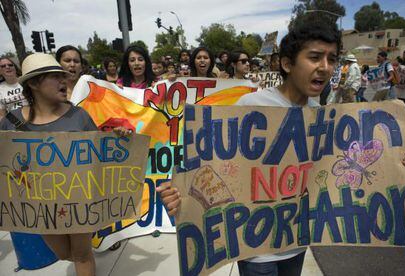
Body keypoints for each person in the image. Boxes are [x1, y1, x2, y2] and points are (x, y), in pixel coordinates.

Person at [158, 19, 342, 276]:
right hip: (255, 248)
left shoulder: (318, 114)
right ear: (288, 64)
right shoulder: (251, 104)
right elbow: (213, 161)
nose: (325, 68)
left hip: (296, 243)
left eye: (332, 59)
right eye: (315, 57)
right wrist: (179, 190)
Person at [0, 53, 131, 276]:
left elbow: (98, 153)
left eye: (63, 76)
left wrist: (118, 139)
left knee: (81, 255)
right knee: (63, 254)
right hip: (39, 204)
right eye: (54, 76)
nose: (63, 80)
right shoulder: (11, 121)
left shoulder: (78, 116)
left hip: (78, 200)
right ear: (33, 83)